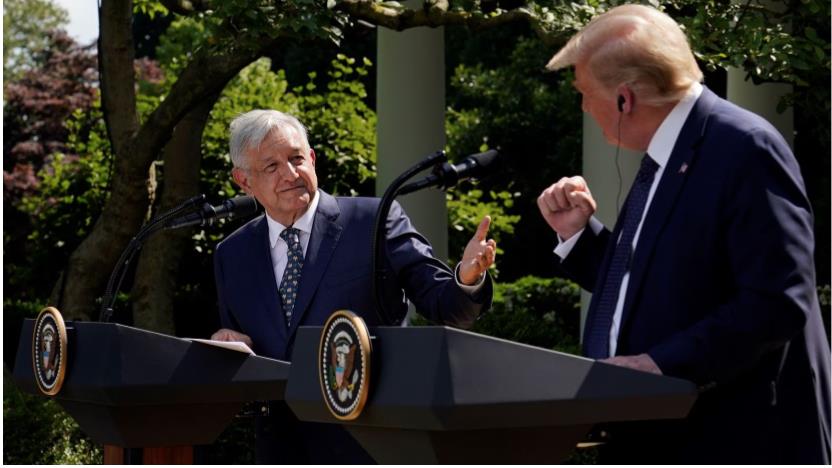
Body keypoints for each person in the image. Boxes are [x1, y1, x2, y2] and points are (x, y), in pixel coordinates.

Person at [537, 4, 830, 464]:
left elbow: (778, 300)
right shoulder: (671, 149)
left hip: (737, 438)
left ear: (624, 99)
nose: (582, 105)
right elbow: (664, 284)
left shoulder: (744, 146)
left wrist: (662, 365)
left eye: (584, 91)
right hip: (667, 433)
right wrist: (579, 236)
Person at [210, 109, 497, 463]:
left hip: (372, 444)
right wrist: (227, 346)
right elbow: (243, 351)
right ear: (243, 181)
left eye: (297, 158)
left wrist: (467, 277)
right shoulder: (232, 254)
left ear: (312, 159)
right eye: (271, 167)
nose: (290, 174)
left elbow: (445, 304)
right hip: (281, 448)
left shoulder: (372, 221)